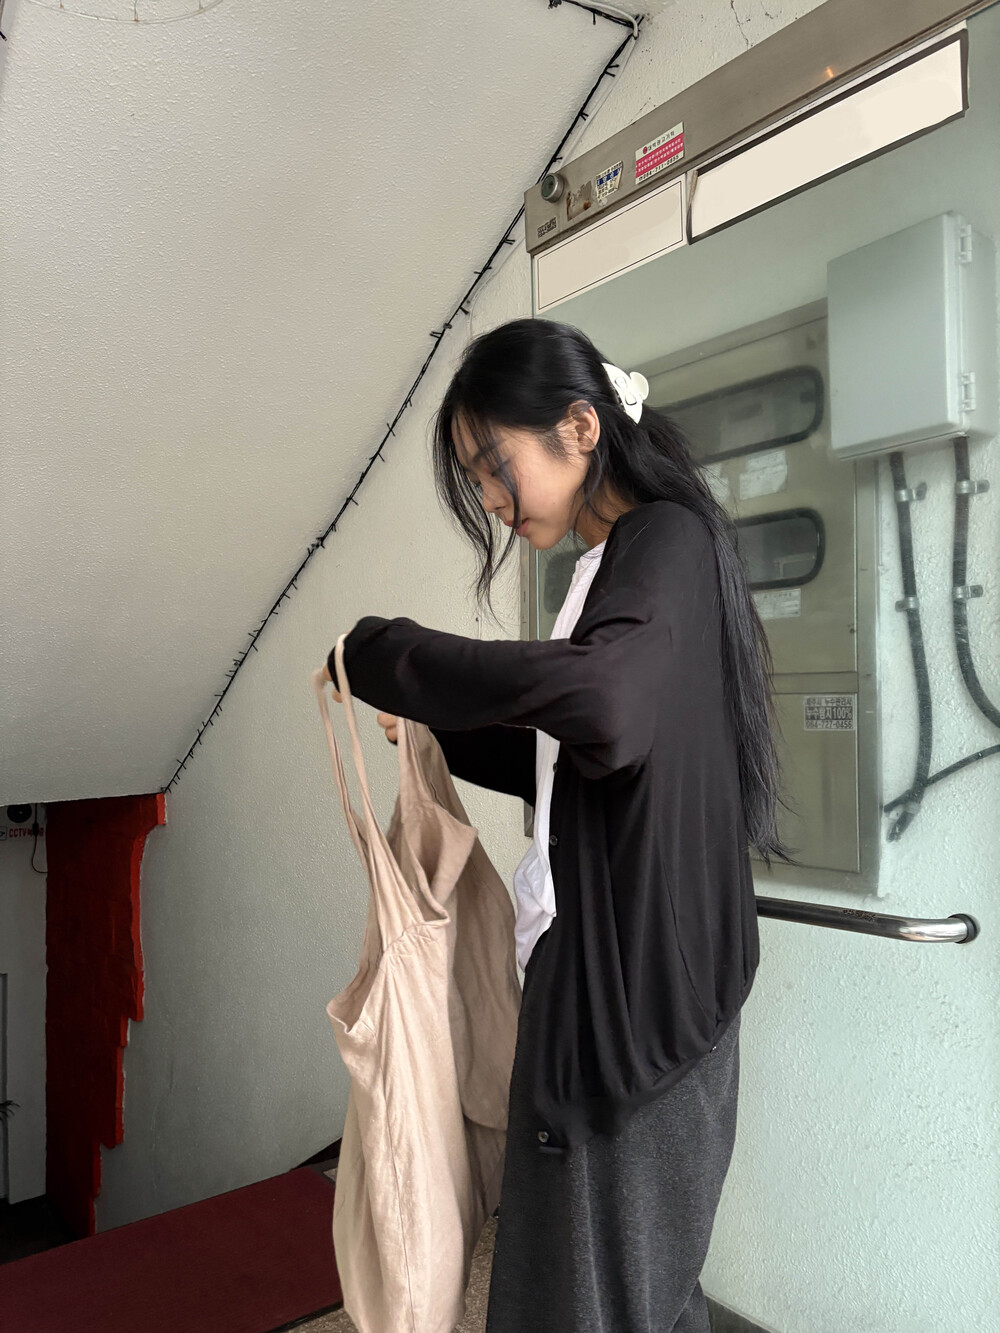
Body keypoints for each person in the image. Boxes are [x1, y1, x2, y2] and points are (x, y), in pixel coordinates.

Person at [322, 317, 784, 1332]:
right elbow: (574, 759)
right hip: (620, 1001)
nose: (491, 500)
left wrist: (393, 654)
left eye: (494, 467)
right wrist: (433, 727)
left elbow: (602, 708)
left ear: (581, 427)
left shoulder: (663, 540)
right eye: (475, 480)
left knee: (593, 1300)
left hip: (634, 1022)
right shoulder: (616, 564)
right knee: (619, 1293)